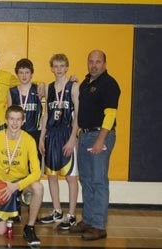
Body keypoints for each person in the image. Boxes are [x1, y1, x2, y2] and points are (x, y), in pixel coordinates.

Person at [69, 50, 120, 241]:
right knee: (87, 180)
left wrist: (101, 139)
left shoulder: (109, 84)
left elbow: (111, 115)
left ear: (105, 64)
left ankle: (99, 226)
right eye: (91, 61)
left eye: (98, 62)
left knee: (99, 181)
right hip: (85, 135)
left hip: (100, 135)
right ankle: (89, 220)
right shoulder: (86, 83)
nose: (94, 65)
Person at [0, 105, 44, 246]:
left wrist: (16, 186)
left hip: (20, 183)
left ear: (23, 121)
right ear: (6, 120)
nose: (15, 123)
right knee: (1, 232)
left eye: (18, 119)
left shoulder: (29, 140)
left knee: (38, 188)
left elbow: (37, 172)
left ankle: (30, 227)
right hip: (2, 183)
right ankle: (6, 207)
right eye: (12, 119)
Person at [38, 54, 79, 230]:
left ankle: (71, 214)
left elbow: (78, 115)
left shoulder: (74, 87)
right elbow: (46, 114)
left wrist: (72, 139)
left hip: (66, 133)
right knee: (52, 175)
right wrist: (41, 137)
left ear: (67, 67)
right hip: (51, 135)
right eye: (56, 66)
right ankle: (57, 211)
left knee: (70, 177)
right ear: (52, 68)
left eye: (62, 66)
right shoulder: (48, 88)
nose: (59, 69)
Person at [8, 58, 43, 220]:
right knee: (15, 169)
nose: (24, 75)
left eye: (27, 72)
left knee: (32, 172)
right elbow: (8, 115)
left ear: (31, 73)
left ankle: (28, 198)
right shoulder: (12, 91)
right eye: (21, 72)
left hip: (34, 135)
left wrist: (42, 138)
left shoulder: (40, 89)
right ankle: (14, 207)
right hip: (16, 137)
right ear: (17, 73)